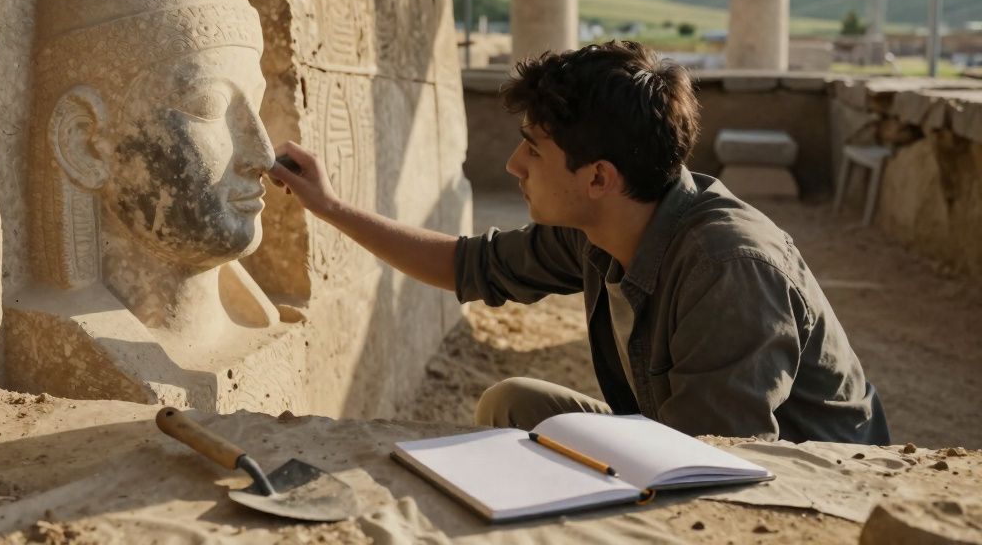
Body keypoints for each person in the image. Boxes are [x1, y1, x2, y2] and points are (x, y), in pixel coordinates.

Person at [268, 40, 889, 444]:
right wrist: (330, 207)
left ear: (598, 177)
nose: (513, 165)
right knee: (514, 406)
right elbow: (468, 264)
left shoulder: (728, 266)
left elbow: (714, 470)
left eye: (533, 149)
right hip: (676, 443)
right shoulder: (602, 224)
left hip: (799, 495)